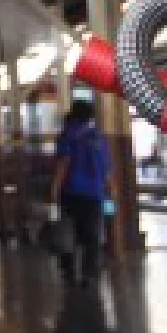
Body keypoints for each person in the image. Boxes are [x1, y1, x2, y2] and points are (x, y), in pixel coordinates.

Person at [48, 100, 111, 283]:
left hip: (71, 193)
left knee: (68, 232)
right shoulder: (99, 137)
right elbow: (106, 168)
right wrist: (109, 190)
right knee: (92, 234)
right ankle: (89, 273)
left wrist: (53, 190)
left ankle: (69, 272)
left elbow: (63, 164)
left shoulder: (67, 135)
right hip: (95, 194)